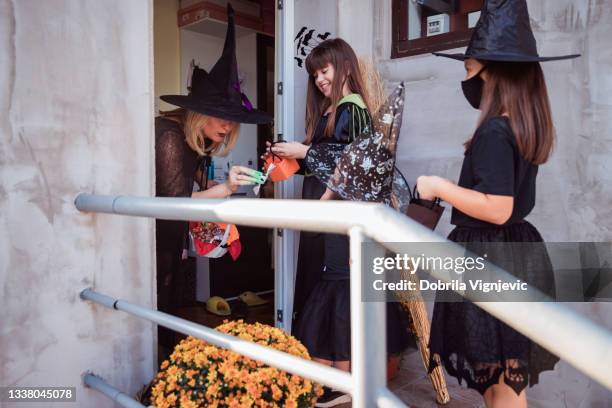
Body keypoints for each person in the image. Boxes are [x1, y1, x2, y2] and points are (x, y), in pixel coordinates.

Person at [416, 1, 579, 406]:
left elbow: (498, 207)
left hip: (492, 256)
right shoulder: (521, 126)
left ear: (494, 71)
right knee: (505, 382)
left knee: (501, 387)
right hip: (516, 252)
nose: (467, 81)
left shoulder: (494, 131)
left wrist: (437, 185)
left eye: (470, 70)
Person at [270, 39, 413, 408]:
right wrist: (291, 156)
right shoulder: (333, 111)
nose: (319, 79)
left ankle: (343, 381)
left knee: (337, 293)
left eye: (325, 70)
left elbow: (352, 164)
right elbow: (331, 159)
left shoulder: (354, 109)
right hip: (329, 215)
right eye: (315, 74)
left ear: (344, 66)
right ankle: (340, 380)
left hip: (341, 216)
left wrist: (304, 152)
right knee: (333, 293)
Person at [155, 4, 272, 360]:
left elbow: (181, 200)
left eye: (233, 121)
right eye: (222, 117)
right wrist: (224, 190)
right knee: (157, 316)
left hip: (169, 240)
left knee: (169, 319)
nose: (227, 127)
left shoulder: (191, 142)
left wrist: (228, 187)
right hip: (152, 244)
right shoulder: (170, 136)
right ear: (199, 112)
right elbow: (174, 203)